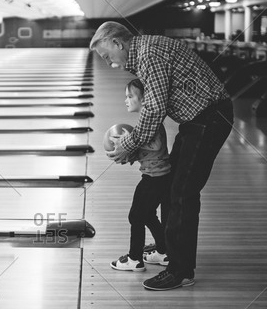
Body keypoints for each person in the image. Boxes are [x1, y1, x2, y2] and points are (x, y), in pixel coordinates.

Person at [90, 21, 233, 291]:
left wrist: (127, 145)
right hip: (197, 121)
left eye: (107, 56)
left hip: (209, 119)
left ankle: (180, 271)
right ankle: (168, 251)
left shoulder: (149, 55)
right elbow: (153, 108)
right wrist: (133, 148)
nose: (108, 63)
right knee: (171, 187)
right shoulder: (146, 52)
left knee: (182, 194)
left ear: (117, 43)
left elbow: (154, 108)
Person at [109, 79, 171, 272]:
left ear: (144, 100)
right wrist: (127, 155)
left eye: (130, 96)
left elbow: (156, 146)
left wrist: (129, 140)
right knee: (147, 215)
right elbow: (147, 151)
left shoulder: (151, 122)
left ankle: (135, 259)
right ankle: (163, 251)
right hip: (157, 177)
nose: (126, 100)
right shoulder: (144, 122)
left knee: (136, 216)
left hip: (155, 178)